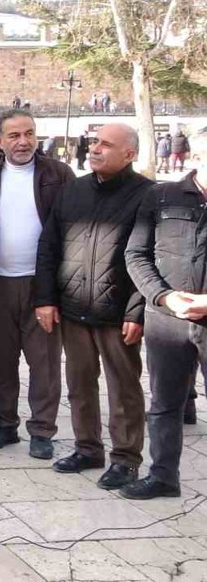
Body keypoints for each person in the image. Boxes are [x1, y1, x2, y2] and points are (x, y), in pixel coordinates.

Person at [34, 123, 151, 489]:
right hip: (72, 307)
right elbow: (49, 248)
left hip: (118, 313)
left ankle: (126, 459)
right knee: (79, 383)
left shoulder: (148, 196)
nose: (95, 149)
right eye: (94, 142)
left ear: (129, 154)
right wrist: (45, 299)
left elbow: (150, 258)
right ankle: (88, 448)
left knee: (124, 388)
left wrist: (137, 310)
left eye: (106, 144)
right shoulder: (73, 191)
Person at [0, 109, 73, 459]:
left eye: (29, 133)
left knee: (43, 364)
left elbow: (71, 232)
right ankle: (4, 424)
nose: (23, 141)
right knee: (0, 360)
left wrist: (53, 293)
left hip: (41, 286)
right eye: (14, 135)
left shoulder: (59, 175)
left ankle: (42, 430)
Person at [123, 131, 207, 499]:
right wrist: (163, 297)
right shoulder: (161, 196)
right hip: (168, 320)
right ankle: (162, 477)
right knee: (164, 403)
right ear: (196, 156)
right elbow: (136, 255)